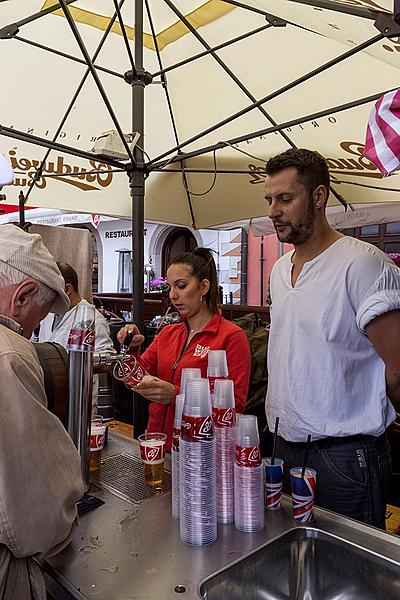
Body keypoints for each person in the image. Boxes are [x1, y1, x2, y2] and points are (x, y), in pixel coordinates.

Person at [264, 148, 400, 528]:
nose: (274, 210)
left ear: (319, 197)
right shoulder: (278, 269)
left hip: (344, 455)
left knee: (349, 577)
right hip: (281, 444)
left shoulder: (363, 263)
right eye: (270, 200)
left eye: (286, 198)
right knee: (289, 562)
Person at [0, 224, 84, 599]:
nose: (34, 331)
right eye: (40, 314)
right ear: (23, 295)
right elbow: (38, 514)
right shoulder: (10, 355)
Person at [118, 247, 251, 451]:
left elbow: (235, 408)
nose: (173, 295)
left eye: (181, 286)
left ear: (204, 286)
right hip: (157, 443)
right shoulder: (167, 334)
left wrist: (176, 396)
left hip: (200, 453)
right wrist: (130, 350)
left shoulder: (231, 337)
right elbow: (135, 380)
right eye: (169, 287)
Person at [38, 261, 116, 412]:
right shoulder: (48, 315)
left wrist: (70, 364)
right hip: (49, 398)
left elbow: (108, 360)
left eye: (50, 290)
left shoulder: (92, 318)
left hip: (77, 403)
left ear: (67, 289)